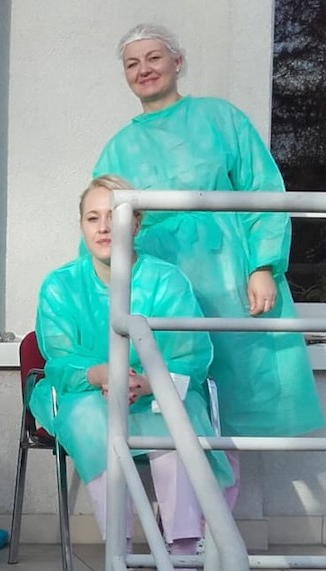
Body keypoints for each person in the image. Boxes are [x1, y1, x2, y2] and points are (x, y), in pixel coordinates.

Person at [94, 23, 324, 509]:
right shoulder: (118, 148)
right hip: (160, 288)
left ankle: (215, 538)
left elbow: (264, 189)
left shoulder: (221, 119)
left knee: (229, 408)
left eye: (154, 58)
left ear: (178, 62)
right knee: (174, 402)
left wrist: (262, 265)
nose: (144, 70)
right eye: (132, 64)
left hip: (229, 283)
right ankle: (182, 534)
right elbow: (102, 225)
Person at [31, 176, 233, 571]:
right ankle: (119, 556)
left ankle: (184, 556)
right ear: (82, 226)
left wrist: (149, 380)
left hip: (155, 390)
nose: (103, 227)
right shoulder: (60, 286)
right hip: (86, 394)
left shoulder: (167, 281)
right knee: (95, 420)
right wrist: (103, 374)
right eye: (93, 218)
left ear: (137, 223)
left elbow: (190, 351)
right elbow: (60, 356)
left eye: (115, 216)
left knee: (172, 415)